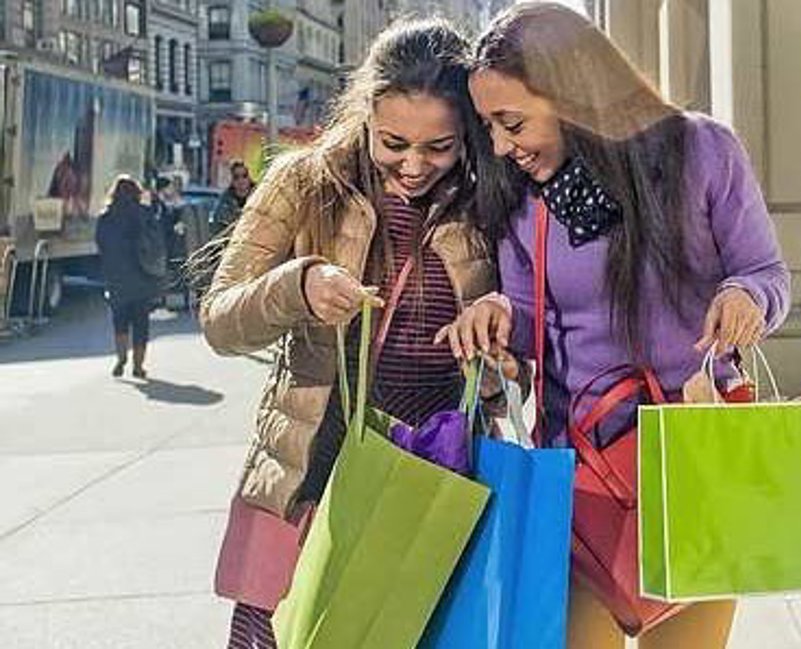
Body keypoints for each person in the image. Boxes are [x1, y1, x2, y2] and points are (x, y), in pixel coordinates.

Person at [436, 3, 791, 648]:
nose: (499, 146)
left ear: (572, 93)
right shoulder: (525, 202)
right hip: (579, 482)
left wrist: (746, 297)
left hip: (698, 468)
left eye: (510, 122)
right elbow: (529, 330)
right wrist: (497, 322)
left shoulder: (702, 150)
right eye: (488, 126)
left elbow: (766, 271)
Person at [198, 19, 510, 649]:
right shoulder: (305, 182)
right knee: (282, 634)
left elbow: (522, 357)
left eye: (439, 147)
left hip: (438, 478)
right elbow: (221, 319)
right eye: (394, 142)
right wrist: (298, 285)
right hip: (309, 476)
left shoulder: (489, 196)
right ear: (365, 111)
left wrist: (501, 329)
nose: (414, 166)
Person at [95, 175, 163, 379]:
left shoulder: (106, 217)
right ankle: (138, 366)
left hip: (116, 277)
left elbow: (100, 244)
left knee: (120, 321)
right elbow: (157, 239)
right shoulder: (144, 214)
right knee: (141, 323)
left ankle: (121, 358)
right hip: (142, 274)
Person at [210, 160, 255, 235]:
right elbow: (218, 233)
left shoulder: (260, 197)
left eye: (244, 176)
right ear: (231, 181)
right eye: (236, 177)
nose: (241, 181)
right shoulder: (224, 203)